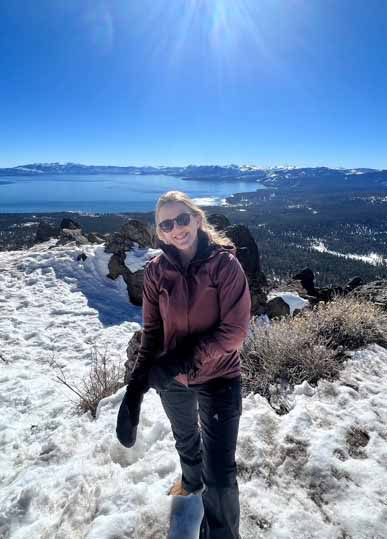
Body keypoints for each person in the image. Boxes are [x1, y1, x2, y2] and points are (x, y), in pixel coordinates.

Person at [121, 191, 251, 539]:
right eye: (167, 224)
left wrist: (182, 359)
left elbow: (235, 333)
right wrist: (135, 390)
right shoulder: (155, 271)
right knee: (185, 439)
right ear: (160, 233)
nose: (176, 228)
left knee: (221, 472)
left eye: (182, 219)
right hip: (172, 379)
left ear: (196, 219)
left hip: (220, 375)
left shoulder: (225, 266)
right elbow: (152, 331)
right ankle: (190, 481)